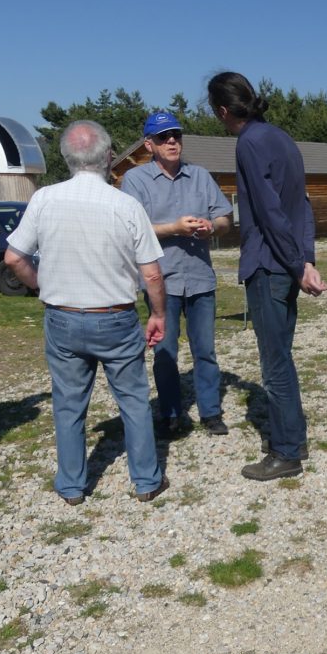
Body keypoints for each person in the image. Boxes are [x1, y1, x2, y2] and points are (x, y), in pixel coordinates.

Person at [4, 120, 170, 505]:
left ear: (65, 158)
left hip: (62, 315)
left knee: (68, 403)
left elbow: (14, 257)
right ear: (109, 156)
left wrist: (42, 285)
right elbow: (152, 272)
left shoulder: (44, 199)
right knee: (132, 399)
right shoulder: (126, 205)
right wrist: (158, 313)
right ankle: (146, 481)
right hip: (115, 315)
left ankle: (72, 486)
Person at [207, 71, 327, 481]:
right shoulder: (281, 138)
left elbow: (273, 214)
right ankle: (293, 436)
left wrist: (297, 265)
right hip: (286, 265)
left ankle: (286, 452)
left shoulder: (249, 144)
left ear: (222, 110)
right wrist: (306, 260)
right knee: (282, 357)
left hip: (268, 266)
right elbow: (303, 205)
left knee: (274, 364)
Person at [121, 112, 234, 439]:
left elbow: (226, 218)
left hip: (200, 278)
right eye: (163, 137)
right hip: (162, 282)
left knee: (205, 351)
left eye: (176, 135)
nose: (172, 141)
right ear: (149, 144)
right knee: (165, 353)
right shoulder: (135, 180)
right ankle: (171, 414)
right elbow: (132, 230)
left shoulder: (199, 175)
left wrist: (212, 227)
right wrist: (174, 228)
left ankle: (211, 413)